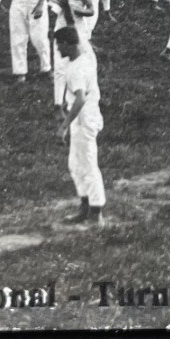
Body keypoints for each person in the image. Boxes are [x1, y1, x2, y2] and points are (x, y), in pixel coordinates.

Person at [56, 24, 107, 227]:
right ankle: (85, 208)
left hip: (84, 116)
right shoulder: (85, 56)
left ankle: (96, 212)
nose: (58, 49)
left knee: (87, 163)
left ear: (68, 44)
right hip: (81, 116)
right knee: (75, 164)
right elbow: (75, 31)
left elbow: (80, 100)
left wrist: (64, 126)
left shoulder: (77, 68)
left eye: (59, 45)